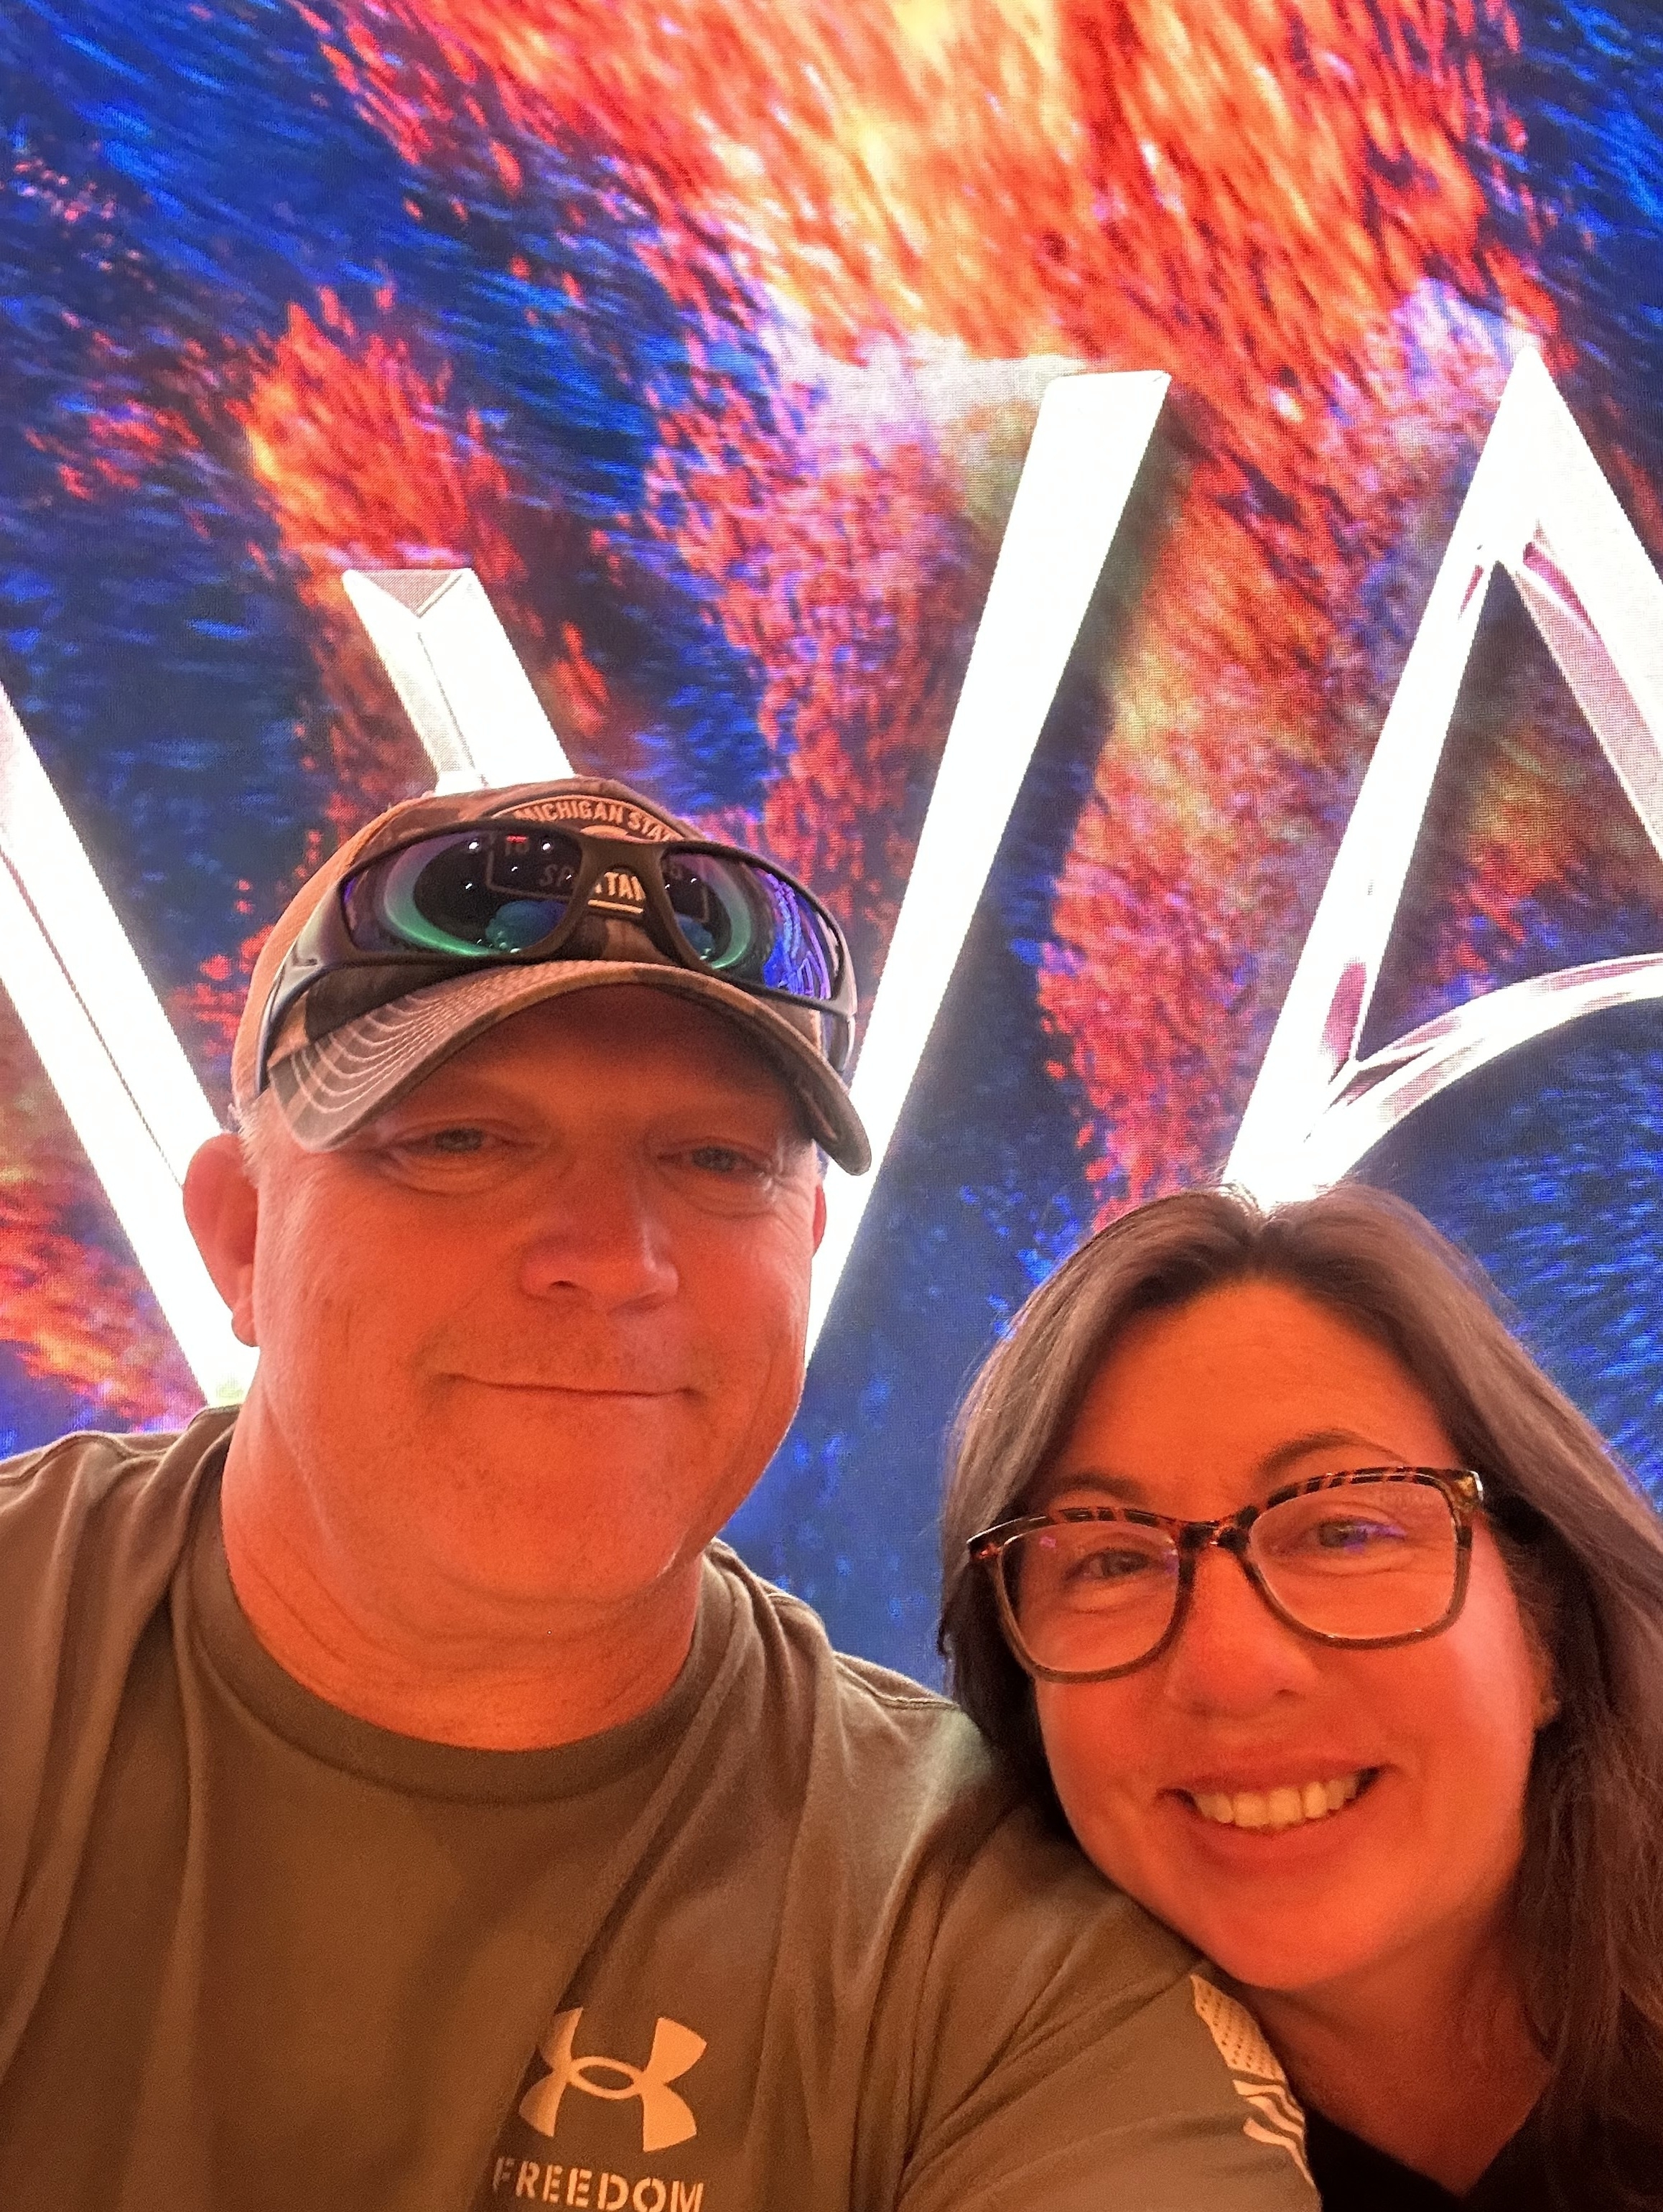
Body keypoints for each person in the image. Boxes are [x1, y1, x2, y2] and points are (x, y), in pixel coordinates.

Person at [0, 775, 1318, 2212]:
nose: (614, 1256)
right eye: (458, 1140)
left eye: (715, 1159)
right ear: (243, 1238)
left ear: (807, 1244)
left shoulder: (982, 1938)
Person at [939, 1184, 1663, 2209]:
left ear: (1547, 1632)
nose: (1231, 1671)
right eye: (1111, 1561)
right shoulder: (980, 2128)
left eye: (1344, 1532)